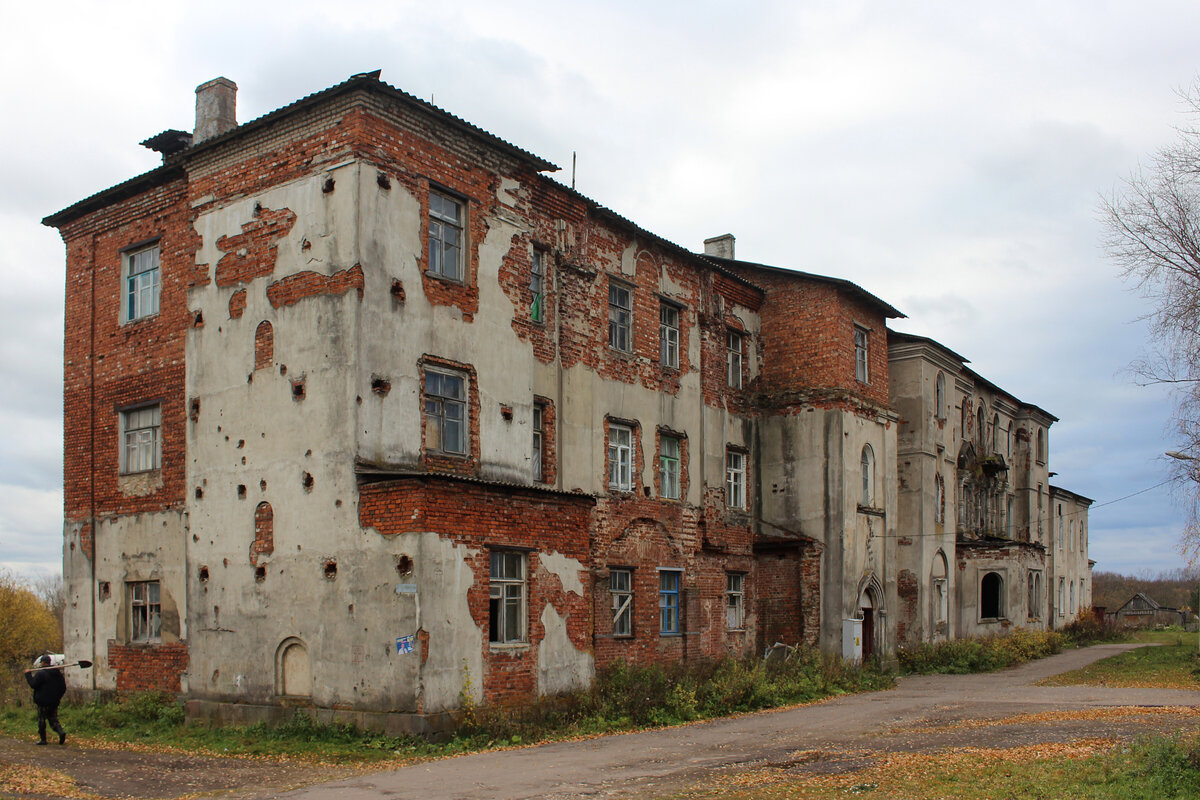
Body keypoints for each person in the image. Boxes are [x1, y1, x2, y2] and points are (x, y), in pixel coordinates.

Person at [25, 654, 66, 745]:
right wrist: (58, 697)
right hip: (54, 702)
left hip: (43, 702)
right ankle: (60, 732)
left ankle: (43, 739)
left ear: (43, 663)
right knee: (53, 718)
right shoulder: (57, 673)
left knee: (41, 720)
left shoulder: (41, 673)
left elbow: (33, 684)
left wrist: (28, 675)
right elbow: (63, 688)